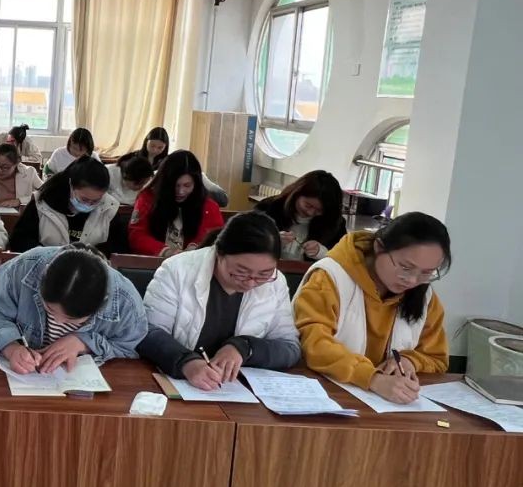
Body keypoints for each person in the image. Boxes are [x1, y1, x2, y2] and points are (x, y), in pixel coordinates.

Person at [293, 212, 450, 404]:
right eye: (405, 267)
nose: (412, 280)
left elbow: (437, 358)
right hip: (324, 396)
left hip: (387, 404)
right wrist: (372, 378)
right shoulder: (330, 277)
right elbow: (314, 345)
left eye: (426, 273)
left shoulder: (424, 297)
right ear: (379, 247)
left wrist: (410, 361)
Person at [137, 212, 301, 389]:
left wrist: (244, 347)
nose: (251, 282)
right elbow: (147, 332)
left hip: (235, 390)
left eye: (264, 274)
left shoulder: (276, 283)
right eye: (241, 272)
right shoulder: (178, 270)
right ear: (219, 253)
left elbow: (290, 348)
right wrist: (186, 362)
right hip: (176, 384)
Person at [0, 243, 148, 373]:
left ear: (103, 302)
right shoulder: (21, 268)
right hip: (19, 378)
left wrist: (84, 343)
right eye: (49, 309)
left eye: (71, 320)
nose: (58, 321)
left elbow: (128, 349)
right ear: (42, 278)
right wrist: (11, 347)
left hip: (81, 385)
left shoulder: (126, 303)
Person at [7, 157, 124, 255]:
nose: (89, 204)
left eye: (96, 201)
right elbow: (19, 241)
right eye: (84, 199)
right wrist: (48, 254)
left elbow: (119, 248)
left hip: (91, 271)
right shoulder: (43, 203)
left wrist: (94, 254)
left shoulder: (109, 208)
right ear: (71, 186)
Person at [129, 150, 224, 257]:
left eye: (187, 185)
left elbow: (214, 237)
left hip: (192, 262)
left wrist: (195, 247)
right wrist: (165, 251)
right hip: (152, 261)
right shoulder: (148, 198)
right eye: (175, 185)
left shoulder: (208, 206)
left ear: (196, 184)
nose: (180, 191)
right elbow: (136, 235)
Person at [255, 170, 346, 261]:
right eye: (308, 205)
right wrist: (270, 243)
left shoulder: (335, 223)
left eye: (319, 210)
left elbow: (343, 258)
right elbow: (248, 244)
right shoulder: (268, 209)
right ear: (296, 194)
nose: (310, 213)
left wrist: (321, 252)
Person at [137, 126, 228, 206]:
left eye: (160, 147)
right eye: (176, 185)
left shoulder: (196, 174)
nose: (155, 150)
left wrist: (200, 192)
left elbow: (222, 199)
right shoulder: (161, 172)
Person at [0, 143, 42, 209]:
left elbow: (44, 193)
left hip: (19, 215)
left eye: (5, 167)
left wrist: (20, 201)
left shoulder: (29, 173)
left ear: (16, 163)